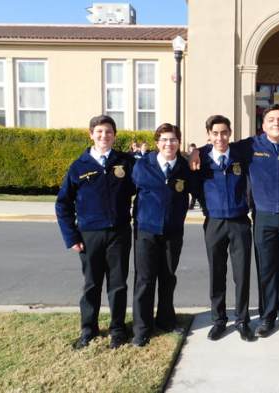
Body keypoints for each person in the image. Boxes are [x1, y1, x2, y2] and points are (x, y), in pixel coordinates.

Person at [190, 104, 279, 339]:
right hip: (264, 215)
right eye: (270, 120)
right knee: (266, 268)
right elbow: (219, 145)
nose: (276, 123)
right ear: (263, 125)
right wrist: (196, 151)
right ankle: (267, 317)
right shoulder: (251, 146)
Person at [55, 114, 135, 350]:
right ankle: (88, 329)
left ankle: (118, 329)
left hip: (119, 233)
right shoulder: (79, 166)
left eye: (108, 132)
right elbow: (63, 204)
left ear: (114, 135)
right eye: (99, 132)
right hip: (89, 235)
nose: (104, 136)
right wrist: (71, 237)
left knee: (118, 284)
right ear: (91, 134)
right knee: (92, 285)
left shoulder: (125, 162)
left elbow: (146, 179)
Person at [131, 123, 195, 347]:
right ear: (157, 143)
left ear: (179, 142)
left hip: (173, 232)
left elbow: (197, 188)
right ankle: (142, 328)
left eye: (173, 139)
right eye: (164, 140)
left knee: (168, 278)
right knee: (145, 280)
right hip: (146, 232)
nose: (169, 144)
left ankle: (166, 321)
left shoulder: (184, 168)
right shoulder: (142, 166)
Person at [194, 115, 255, 342]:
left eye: (224, 132)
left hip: (239, 221)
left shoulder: (241, 156)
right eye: (215, 133)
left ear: (230, 133)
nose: (220, 137)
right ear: (209, 135)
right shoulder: (201, 159)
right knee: (217, 273)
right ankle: (218, 320)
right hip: (214, 223)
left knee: (241, 274)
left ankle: (242, 320)